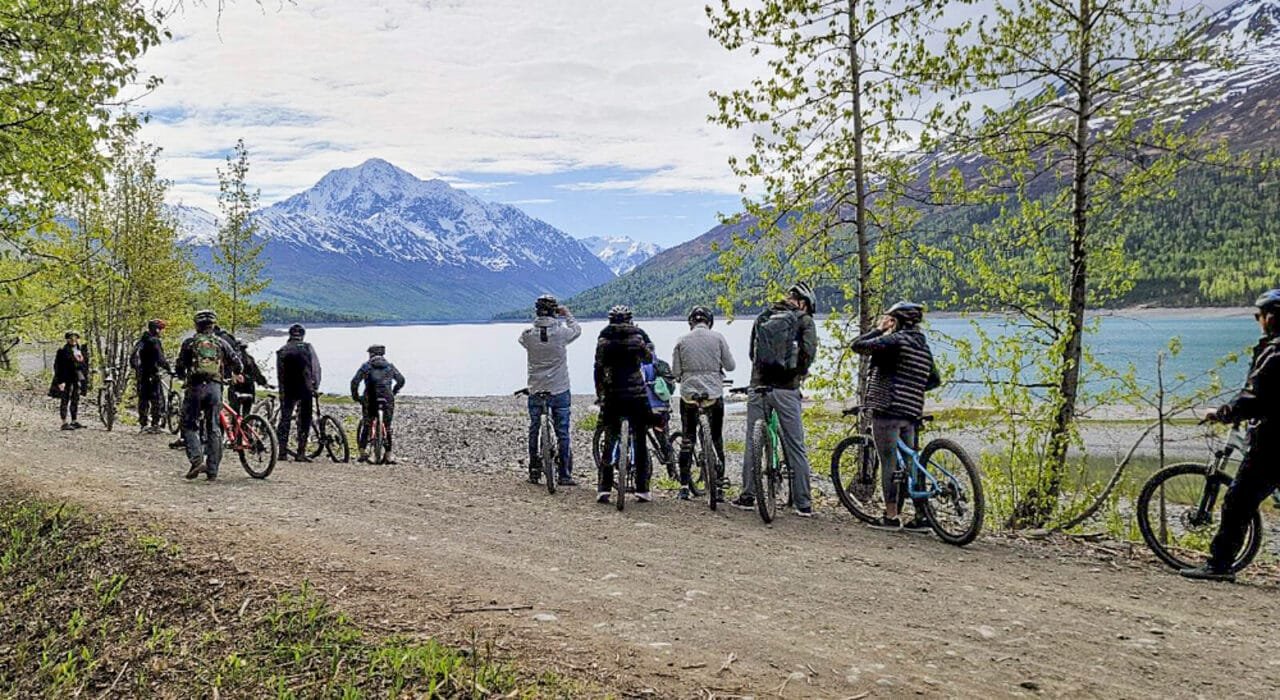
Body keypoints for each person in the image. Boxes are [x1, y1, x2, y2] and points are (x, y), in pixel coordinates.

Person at [1180, 290, 1280, 582]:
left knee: (1238, 500)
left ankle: (1219, 566)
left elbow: (1255, 396)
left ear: (1271, 317)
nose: (1258, 320)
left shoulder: (1276, 353)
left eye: (1259, 315)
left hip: (1273, 443)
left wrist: (1222, 413)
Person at [851, 301, 942, 531]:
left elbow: (858, 346)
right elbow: (934, 380)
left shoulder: (895, 340)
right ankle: (922, 516)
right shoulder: (922, 347)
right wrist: (912, 387)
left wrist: (879, 329)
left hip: (887, 409)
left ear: (897, 320)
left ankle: (891, 517)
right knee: (911, 464)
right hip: (911, 412)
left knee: (889, 462)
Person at [733, 282, 819, 517]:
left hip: (758, 386)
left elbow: (752, 353)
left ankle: (747, 496)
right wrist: (799, 373)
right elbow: (808, 353)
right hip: (786, 389)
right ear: (804, 303)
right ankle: (803, 503)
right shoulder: (804, 320)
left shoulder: (763, 316)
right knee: (795, 445)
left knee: (753, 441)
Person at [671, 305, 736, 500]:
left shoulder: (681, 340)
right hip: (713, 394)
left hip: (689, 395)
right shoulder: (718, 338)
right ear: (710, 321)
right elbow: (730, 366)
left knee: (688, 439)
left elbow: (675, 372)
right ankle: (720, 485)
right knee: (716, 438)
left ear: (690, 322)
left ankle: (684, 487)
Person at [518, 294, 582, 485]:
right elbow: (577, 330)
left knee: (534, 428)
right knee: (562, 431)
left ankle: (534, 470)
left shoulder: (528, 335)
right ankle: (564, 474)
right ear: (555, 312)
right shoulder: (562, 333)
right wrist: (567, 314)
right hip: (559, 388)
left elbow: (521, 341)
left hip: (536, 388)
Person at [593, 305, 655, 504]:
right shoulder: (637, 338)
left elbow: (598, 369)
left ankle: (604, 488)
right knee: (640, 439)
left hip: (613, 395)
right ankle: (642, 489)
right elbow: (648, 359)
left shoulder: (604, 340)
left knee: (610, 438)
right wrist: (646, 344)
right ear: (630, 320)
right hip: (636, 395)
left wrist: (600, 394)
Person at [174, 310, 242, 480]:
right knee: (214, 427)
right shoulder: (221, 342)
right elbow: (237, 363)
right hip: (215, 388)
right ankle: (212, 470)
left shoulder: (190, 343)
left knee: (189, 424)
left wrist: (182, 376)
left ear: (196, 325)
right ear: (213, 325)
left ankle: (197, 460)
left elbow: (180, 366)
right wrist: (233, 373)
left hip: (195, 388)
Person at [350, 344, 406, 464]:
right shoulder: (390, 366)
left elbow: (354, 382)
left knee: (367, 423)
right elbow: (401, 380)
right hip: (387, 398)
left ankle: (363, 452)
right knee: (387, 426)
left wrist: (356, 397)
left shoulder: (366, 366)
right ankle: (388, 454)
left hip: (370, 398)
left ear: (371, 354)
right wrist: (394, 391)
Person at [276, 323, 322, 462]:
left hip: (288, 389)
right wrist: (315, 386)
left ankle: (282, 452)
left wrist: (281, 391)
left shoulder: (282, 350)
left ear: (290, 335)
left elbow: (280, 374)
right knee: (305, 419)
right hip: (305, 388)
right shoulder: (307, 347)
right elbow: (316, 368)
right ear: (302, 335)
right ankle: (301, 452)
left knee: (285, 419)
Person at [641, 341, 677, 477]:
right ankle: (672, 471)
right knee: (663, 438)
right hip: (661, 409)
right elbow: (671, 387)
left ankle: (642, 469)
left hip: (644, 410)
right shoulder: (662, 365)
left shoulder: (636, 367)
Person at [131, 319, 172, 433]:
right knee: (156, 398)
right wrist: (169, 369)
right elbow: (160, 358)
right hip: (152, 373)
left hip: (141, 373)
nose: (161, 332)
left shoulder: (141, 341)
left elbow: (133, 359)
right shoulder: (154, 341)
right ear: (156, 330)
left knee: (143, 398)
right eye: (160, 330)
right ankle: (155, 424)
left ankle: (143, 424)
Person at [50, 331, 90, 430]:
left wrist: (85, 376)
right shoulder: (62, 351)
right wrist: (60, 381)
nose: (73, 340)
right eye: (71, 338)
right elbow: (58, 366)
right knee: (65, 399)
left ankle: (74, 420)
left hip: (77, 377)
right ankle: (64, 422)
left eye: (75, 338)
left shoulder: (80, 350)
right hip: (66, 377)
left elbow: (84, 364)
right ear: (67, 340)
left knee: (75, 398)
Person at [229, 340, 270, 418]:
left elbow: (228, 372)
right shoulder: (250, 359)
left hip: (236, 391)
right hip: (249, 391)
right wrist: (264, 383)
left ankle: (236, 424)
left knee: (235, 414)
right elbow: (257, 374)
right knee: (246, 414)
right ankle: (245, 423)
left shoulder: (233, 360)